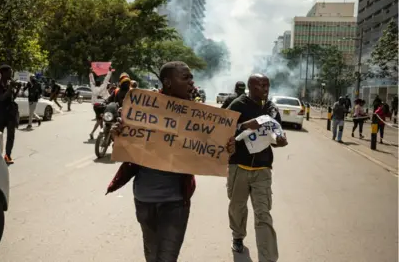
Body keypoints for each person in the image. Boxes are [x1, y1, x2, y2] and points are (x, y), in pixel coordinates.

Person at [106, 61, 235, 262]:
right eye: (186, 78)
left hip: (175, 202)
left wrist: (227, 148)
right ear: (168, 82)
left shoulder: (201, 115)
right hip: (144, 199)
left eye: (191, 77)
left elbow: (213, 148)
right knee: (152, 254)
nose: (192, 82)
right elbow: (129, 143)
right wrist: (119, 133)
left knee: (167, 258)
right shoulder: (143, 106)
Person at [226, 73, 287, 262]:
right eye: (261, 86)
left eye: (267, 85)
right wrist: (245, 125)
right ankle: (238, 236)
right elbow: (222, 128)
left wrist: (280, 141)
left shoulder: (271, 108)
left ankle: (267, 258)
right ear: (251, 87)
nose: (266, 89)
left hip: (262, 169)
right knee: (237, 207)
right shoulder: (237, 105)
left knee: (263, 214)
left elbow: (276, 135)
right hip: (239, 167)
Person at [0, 65, 21, 165]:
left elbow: (13, 97)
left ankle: (7, 155)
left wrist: (18, 89)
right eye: (9, 72)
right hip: (0, 113)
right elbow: (2, 98)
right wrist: (10, 87)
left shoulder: (10, 84)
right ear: (3, 73)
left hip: (10, 113)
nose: (11, 74)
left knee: (11, 136)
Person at [89, 66, 112, 140]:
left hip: (95, 107)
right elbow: (106, 79)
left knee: (100, 120)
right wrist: (109, 71)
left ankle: (98, 132)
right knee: (104, 120)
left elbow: (91, 81)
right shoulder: (103, 87)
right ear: (101, 83)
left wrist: (90, 72)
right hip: (102, 106)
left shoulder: (93, 88)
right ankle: (99, 132)